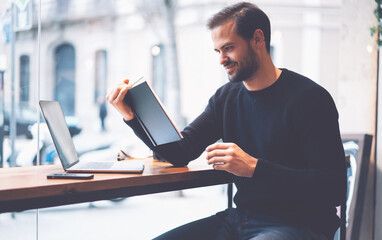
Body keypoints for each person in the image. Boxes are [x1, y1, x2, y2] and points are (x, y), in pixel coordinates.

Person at [106, 2, 346, 240]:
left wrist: (254, 168)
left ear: (258, 39)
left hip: (302, 224)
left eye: (228, 48)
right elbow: (181, 151)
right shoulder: (226, 98)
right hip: (242, 219)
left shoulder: (310, 98)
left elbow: (333, 188)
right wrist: (132, 114)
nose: (222, 59)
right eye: (218, 51)